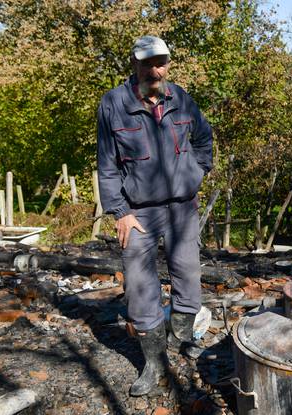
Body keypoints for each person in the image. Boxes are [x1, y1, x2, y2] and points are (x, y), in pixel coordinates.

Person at [96, 35, 213, 396]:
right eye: (147, 62)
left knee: (188, 276)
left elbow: (204, 140)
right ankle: (154, 363)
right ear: (134, 63)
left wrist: (196, 173)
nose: (154, 69)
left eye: (160, 61)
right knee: (140, 288)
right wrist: (119, 212)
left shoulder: (181, 99)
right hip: (138, 213)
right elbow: (107, 165)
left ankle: (182, 340)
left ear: (167, 64)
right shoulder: (113, 104)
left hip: (181, 208)